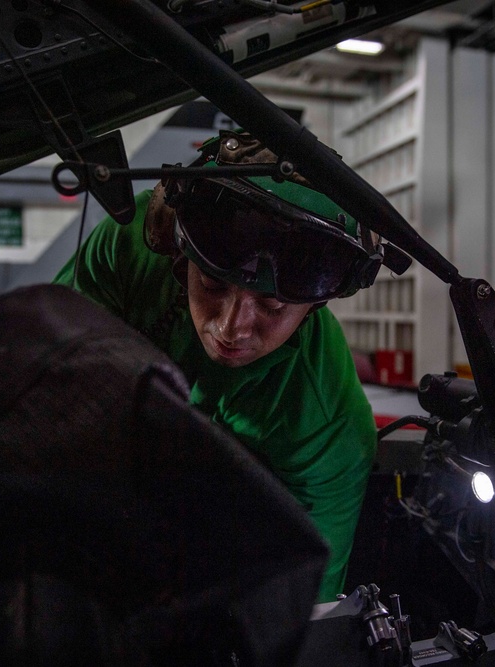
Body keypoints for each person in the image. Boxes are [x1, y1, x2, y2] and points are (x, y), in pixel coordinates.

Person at [53, 129, 381, 603]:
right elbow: (50, 392)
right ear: (177, 253)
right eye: (210, 283)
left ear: (316, 304)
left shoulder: (332, 425)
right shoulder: (127, 248)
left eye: (270, 307)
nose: (231, 329)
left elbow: (309, 609)